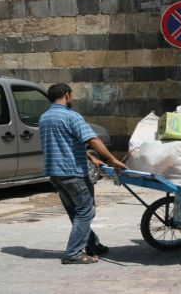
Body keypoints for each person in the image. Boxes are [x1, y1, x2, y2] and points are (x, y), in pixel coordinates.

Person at [39, 83, 127, 265]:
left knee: (76, 211)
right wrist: (112, 159)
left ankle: (93, 244)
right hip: (73, 172)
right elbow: (93, 140)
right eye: (71, 95)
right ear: (66, 95)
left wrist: (90, 158)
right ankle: (73, 254)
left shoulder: (45, 118)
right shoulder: (72, 116)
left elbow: (65, 142)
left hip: (55, 174)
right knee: (86, 211)